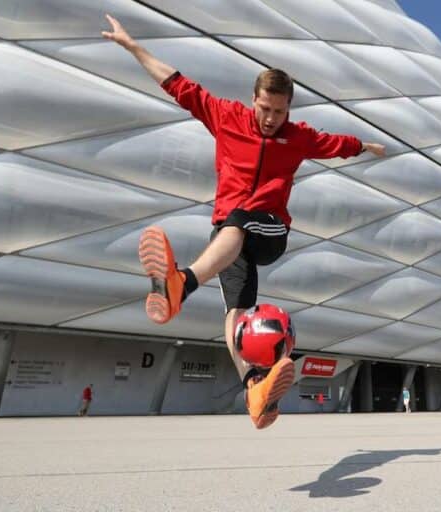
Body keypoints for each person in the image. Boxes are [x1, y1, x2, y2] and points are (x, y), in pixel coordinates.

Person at [102, 16, 386, 430]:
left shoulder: (298, 136)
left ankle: (181, 283)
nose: (271, 118)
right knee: (236, 310)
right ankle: (254, 389)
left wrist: (365, 145)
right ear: (253, 100)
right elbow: (177, 84)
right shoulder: (225, 116)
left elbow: (336, 144)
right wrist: (133, 48)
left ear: (289, 109)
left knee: (237, 222)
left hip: (269, 230)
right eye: (265, 109)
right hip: (228, 238)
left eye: (280, 111)